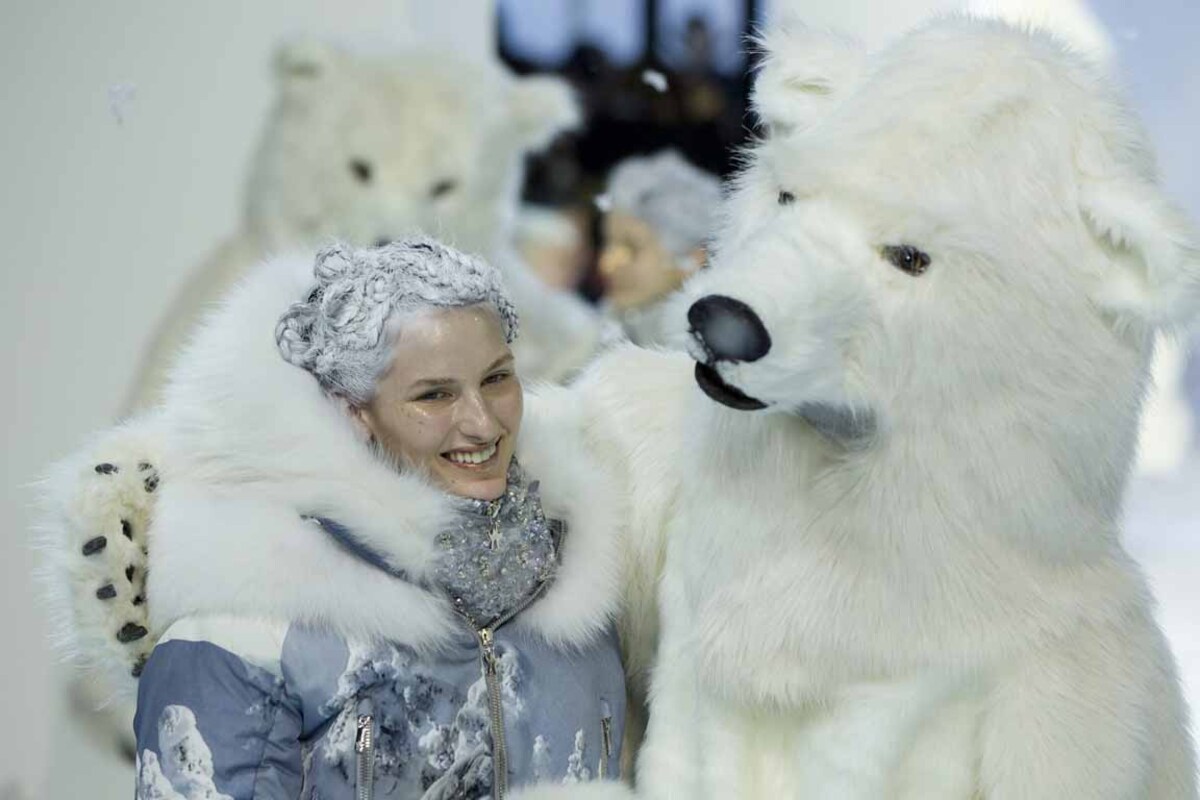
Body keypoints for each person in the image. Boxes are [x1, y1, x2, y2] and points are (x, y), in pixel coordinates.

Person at [59, 238, 629, 799]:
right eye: (434, 395)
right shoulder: (247, 630)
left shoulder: (583, 589)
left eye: (497, 378)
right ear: (354, 410)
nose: (482, 423)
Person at [596, 151, 722, 348]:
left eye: (632, 247)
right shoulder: (588, 340)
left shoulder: (709, 354)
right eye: (607, 243)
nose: (607, 264)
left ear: (694, 258)